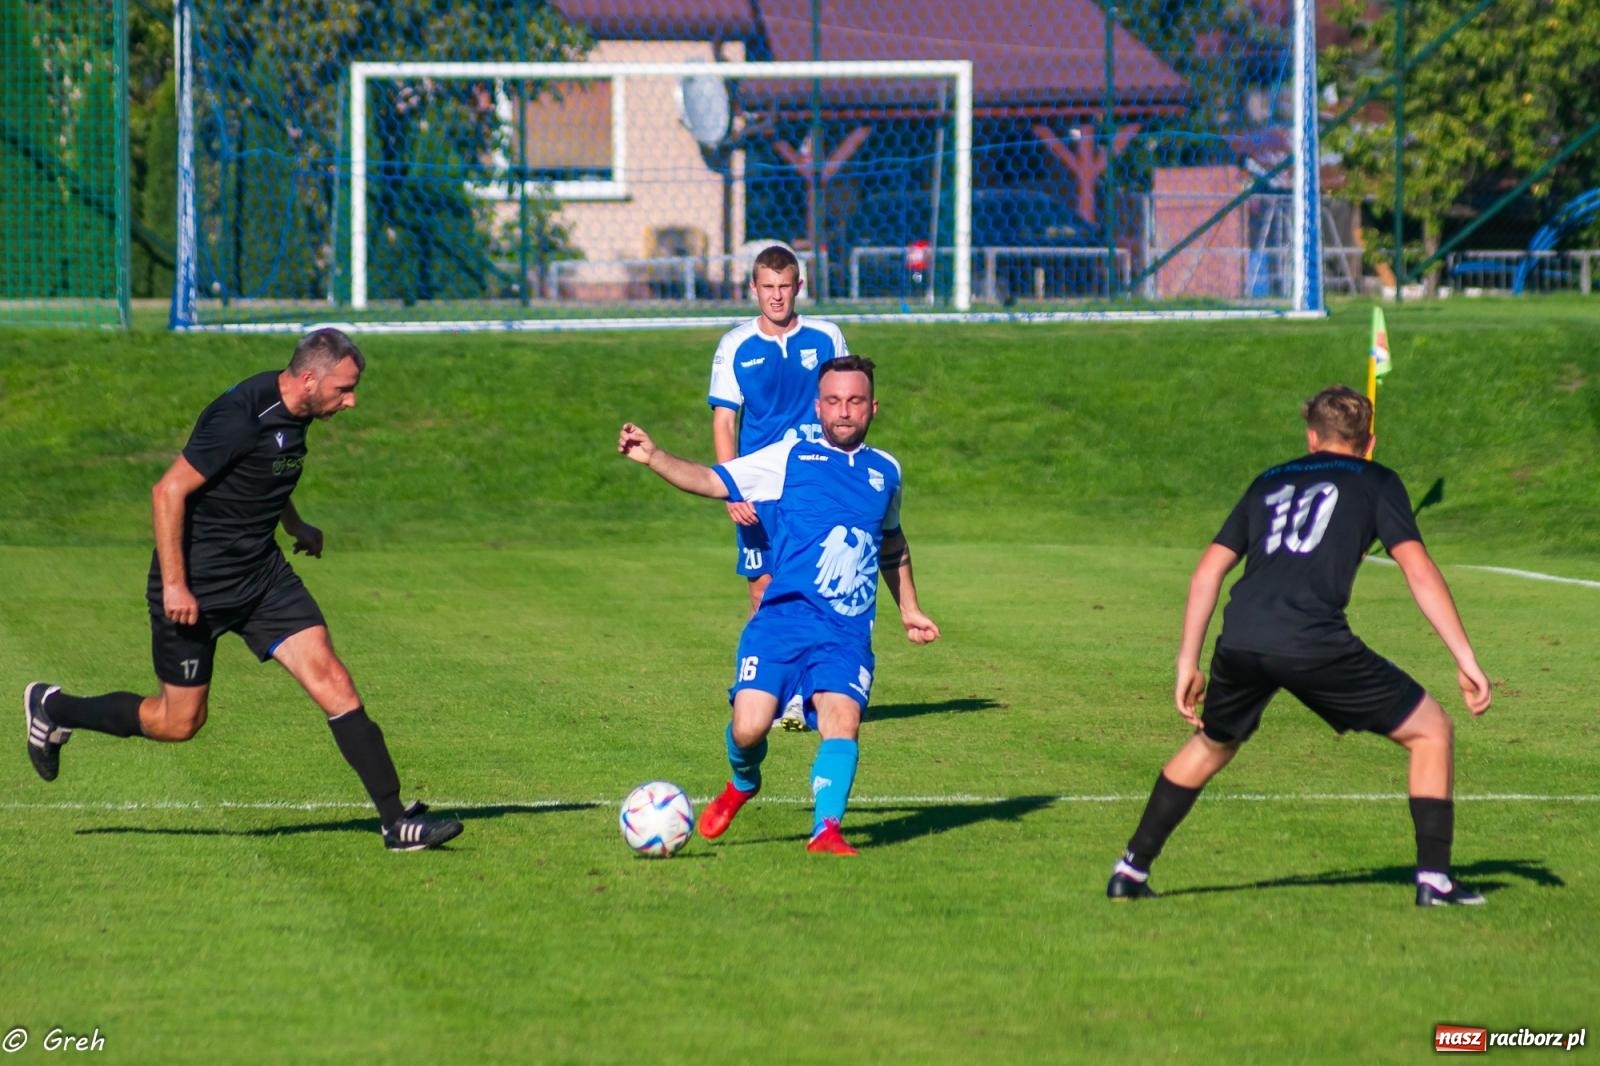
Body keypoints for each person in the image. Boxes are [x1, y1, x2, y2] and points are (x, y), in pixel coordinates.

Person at [23, 327, 462, 852]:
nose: (351, 400)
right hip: (197, 588)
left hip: (262, 577)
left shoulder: (297, 412)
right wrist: (176, 586)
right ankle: (55, 708)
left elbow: (261, 475)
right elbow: (166, 492)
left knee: (333, 680)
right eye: (343, 389)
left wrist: (294, 524)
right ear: (308, 378)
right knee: (178, 722)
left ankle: (395, 822)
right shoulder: (238, 417)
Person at [1105, 385, 1492, 906]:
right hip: (1311, 639)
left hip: (1241, 637)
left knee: (1213, 743)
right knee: (1431, 731)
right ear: (1369, 441)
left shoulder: (1268, 480)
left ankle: (1129, 870)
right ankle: (1436, 882)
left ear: (1311, 437)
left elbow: (1207, 573)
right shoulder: (1378, 480)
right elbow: (1418, 570)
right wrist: (1465, 658)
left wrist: (1186, 663)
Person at [620, 355, 939, 855]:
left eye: (855, 401)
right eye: (833, 401)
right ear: (818, 407)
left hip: (846, 632)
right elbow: (712, 480)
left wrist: (909, 608)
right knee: (748, 729)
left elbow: (892, 543)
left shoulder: (887, 472)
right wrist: (656, 456)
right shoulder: (790, 457)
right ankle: (743, 783)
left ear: (873, 407)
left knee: (842, 721)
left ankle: (825, 830)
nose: (843, 411)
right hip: (782, 621)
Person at [709, 244, 849, 731]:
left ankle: (802, 697)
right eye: (767, 287)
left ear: (799, 287)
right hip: (758, 490)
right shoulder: (735, 346)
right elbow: (725, 422)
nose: (776, 297)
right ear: (753, 288)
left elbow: (842, 402)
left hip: (812, 483)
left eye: (784, 287)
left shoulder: (827, 337)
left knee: (812, 589)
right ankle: (761, 687)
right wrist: (732, 488)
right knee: (762, 590)